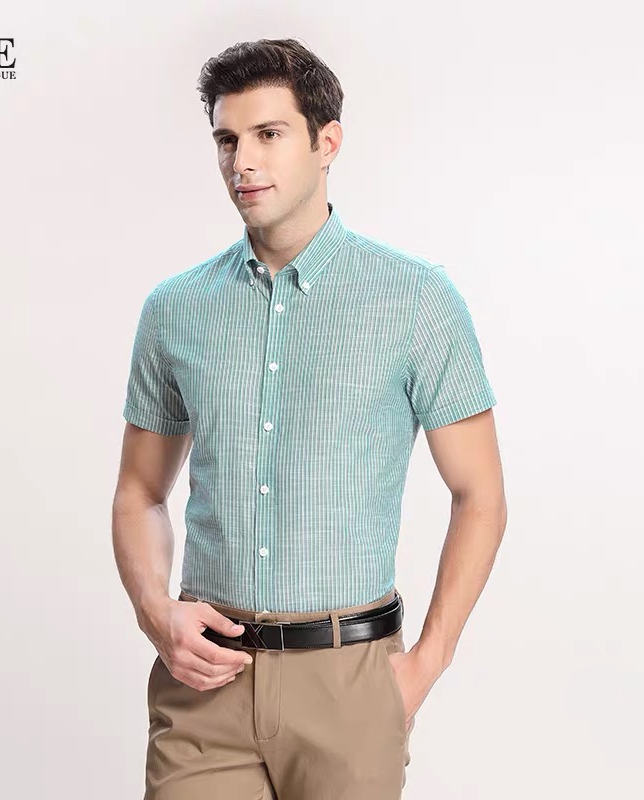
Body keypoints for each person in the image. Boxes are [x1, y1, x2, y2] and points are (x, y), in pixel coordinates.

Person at [112, 37, 507, 800]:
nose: (242, 162)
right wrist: (157, 614)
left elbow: (480, 495)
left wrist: (424, 666)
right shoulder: (175, 309)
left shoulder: (417, 301)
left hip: (351, 684)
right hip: (205, 687)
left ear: (328, 142)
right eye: (227, 140)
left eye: (269, 134)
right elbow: (139, 492)